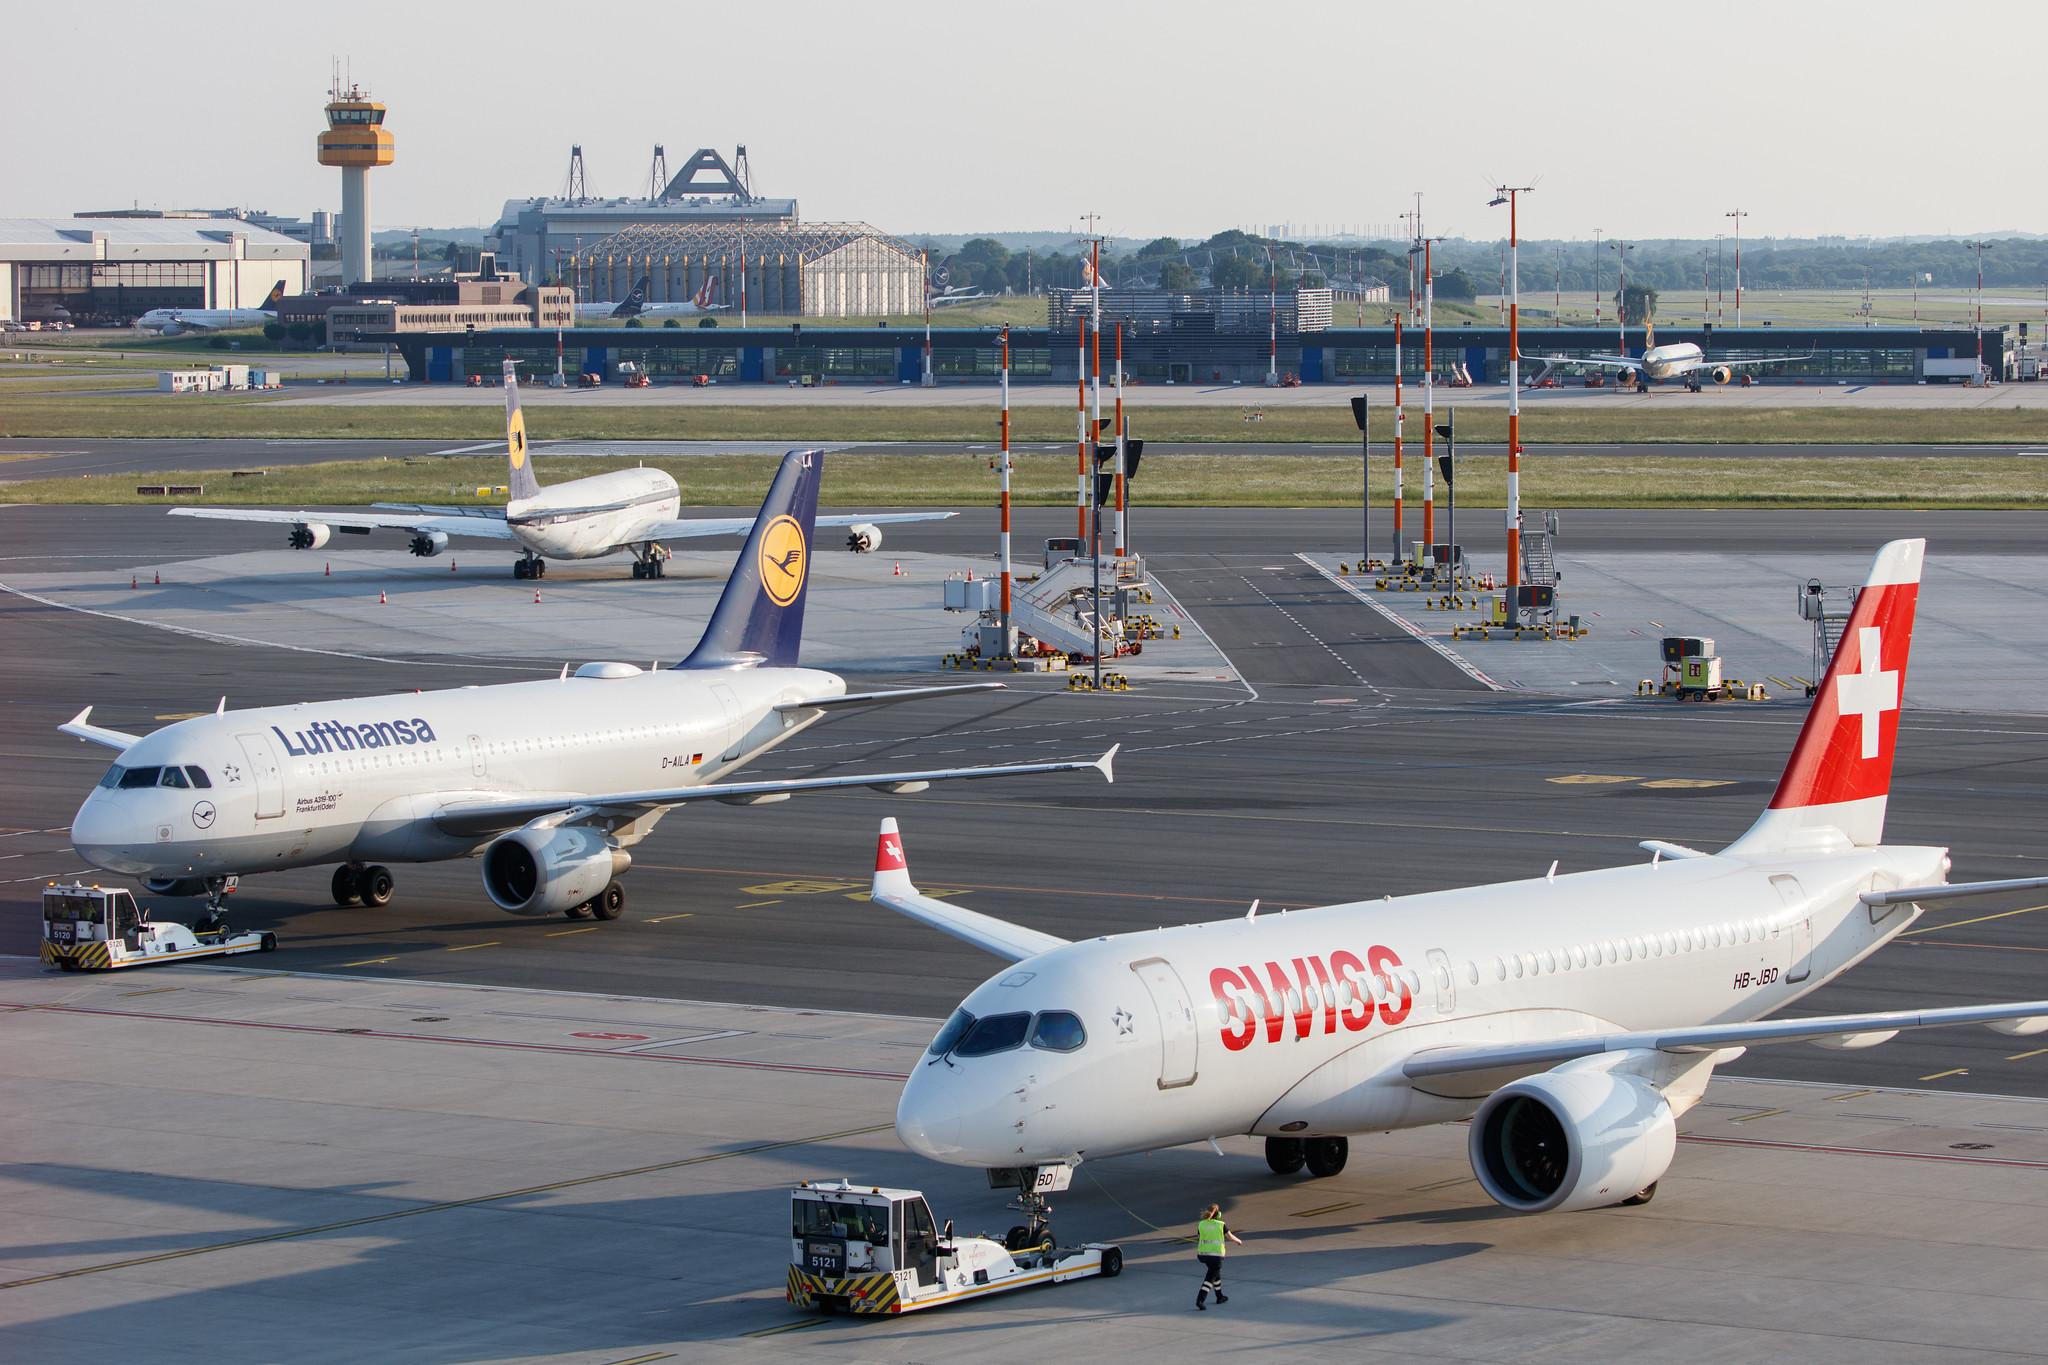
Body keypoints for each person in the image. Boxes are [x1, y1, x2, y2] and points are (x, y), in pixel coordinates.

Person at [1194, 1203, 1244, 1310]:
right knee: (1209, 1278)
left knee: (1215, 1273)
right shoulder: (1221, 1224)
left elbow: (1199, 1237)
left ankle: (1219, 1296)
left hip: (1203, 1255)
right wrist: (1238, 1241)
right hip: (1215, 1255)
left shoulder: (1201, 1224)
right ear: (1218, 1214)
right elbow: (1230, 1237)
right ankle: (1200, 1300)